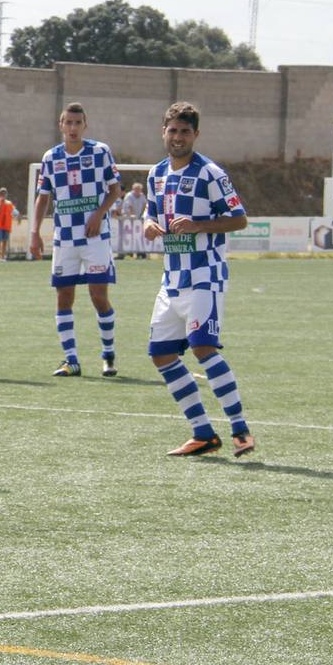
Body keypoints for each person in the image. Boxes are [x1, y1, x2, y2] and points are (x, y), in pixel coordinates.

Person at [142, 102, 255, 458]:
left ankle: (240, 430)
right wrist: (148, 222)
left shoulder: (210, 173)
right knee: (161, 355)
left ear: (196, 135)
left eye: (185, 131)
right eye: (172, 130)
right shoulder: (156, 174)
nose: (178, 137)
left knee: (204, 348)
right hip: (172, 277)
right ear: (164, 132)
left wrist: (199, 225)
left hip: (205, 274)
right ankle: (203, 433)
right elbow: (152, 209)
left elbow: (239, 219)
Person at [29, 102, 123, 378]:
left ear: (85, 125)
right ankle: (71, 360)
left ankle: (108, 356)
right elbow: (43, 197)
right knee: (64, 297)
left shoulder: (99, 152)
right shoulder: (51, 157)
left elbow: (115, 190)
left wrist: (98, 215)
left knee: (98, 297)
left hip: (96, 238)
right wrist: (34, 232)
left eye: (77, 123)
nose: (72, 128)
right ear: (60, 125)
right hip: (65, 239)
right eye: (67, 123)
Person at [121, 181, 149, 258]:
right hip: (128, 218)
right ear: (133, 189)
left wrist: (142, 215)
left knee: (139, 236)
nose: (138, 191)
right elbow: (129, 207)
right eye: (137, 189)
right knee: (128, 236)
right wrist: (133, 215)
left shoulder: (142, 195)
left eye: (139, 189)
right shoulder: (129, 195)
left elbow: (145, 204)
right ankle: (127, 253)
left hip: (138, 218)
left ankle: (140, 252)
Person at [0, 187, 15, 262]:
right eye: (2, 193)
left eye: (4, 193)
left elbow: (14, 211)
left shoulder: (9, 203)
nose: (3, 194)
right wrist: (1, 203)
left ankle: (3, 257)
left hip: (7, 225)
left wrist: (18, 216)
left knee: (5, 241)